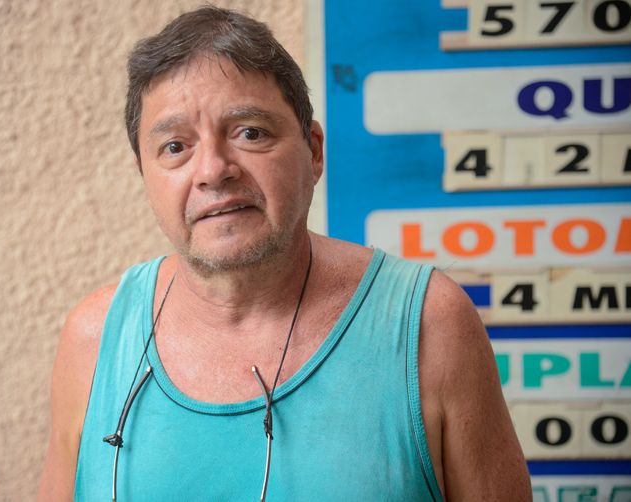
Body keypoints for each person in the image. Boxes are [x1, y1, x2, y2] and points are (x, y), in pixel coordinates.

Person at [37, 6, 531, 501]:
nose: (213, 170)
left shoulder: (429, 324)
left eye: (250, 132)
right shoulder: (95, 339)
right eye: (174, 146)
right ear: (145, 175)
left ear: (314, 150)